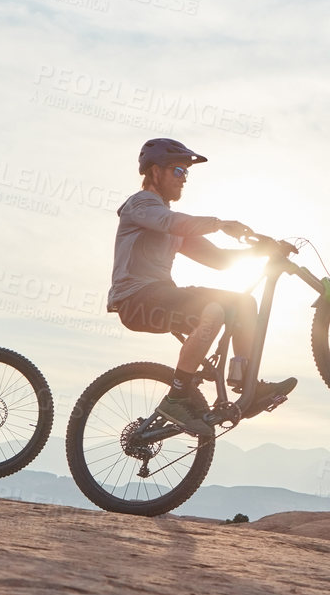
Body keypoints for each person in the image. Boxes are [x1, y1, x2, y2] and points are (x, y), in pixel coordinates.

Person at [109, 138, 296, 436]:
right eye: (179, 171)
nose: (184, 179)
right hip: (136, 299)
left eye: (186, 173)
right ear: (156, 172)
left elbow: (219, 260)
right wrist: (220, 224)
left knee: (243, 304)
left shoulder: (170, 225)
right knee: (214, 310)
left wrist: (263, 251)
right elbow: (172, 222)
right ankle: (177, 397)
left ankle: (247, 386)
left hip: (162, 296)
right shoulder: (141, 204)